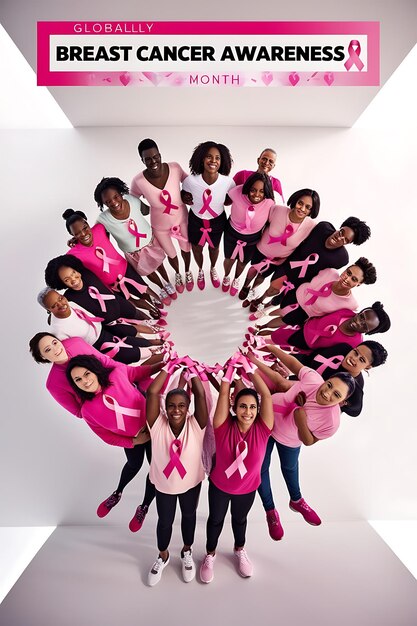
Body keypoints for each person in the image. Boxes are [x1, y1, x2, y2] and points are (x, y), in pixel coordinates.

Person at [246, 348, 355, 541]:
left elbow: (309, 441)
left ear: (343, 402)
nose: (327, 393)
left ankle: (296, 500)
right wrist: (268, 348)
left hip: (290, 440)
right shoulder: (313, 379)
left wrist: (300, 417)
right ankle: (270, 511)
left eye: (336, 395)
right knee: (260, 468)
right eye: (329, 385)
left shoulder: (331, 422)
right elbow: (292, 363)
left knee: (289, 468)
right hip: (266, 423)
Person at [200, 362, 274, 583]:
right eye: (243, 406)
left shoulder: (262, 429)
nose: (248, 412)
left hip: (247, 488)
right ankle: (210, 554)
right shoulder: (223, 426)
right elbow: (224, 394)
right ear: (234, 407)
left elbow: (267, 396)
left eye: (252, 407)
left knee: (239, 520)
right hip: (220, 486)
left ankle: (239, 550)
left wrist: (250, 369)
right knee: (215, 520)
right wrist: (228, 374)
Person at [145, 366, 208, 586]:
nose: (176, 410)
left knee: (189, 517)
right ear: (165, 408)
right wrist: (168, 369)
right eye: (171, 406)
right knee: (165, 521)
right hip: (164, 486)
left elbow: (200, 395)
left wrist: (192, 374)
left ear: (188, 408)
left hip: (191, 483)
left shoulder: (197, 425)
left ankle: (186, 551)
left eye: (181, 405)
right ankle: (162, 555)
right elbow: (152, 393)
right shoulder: (157, 425)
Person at [248, 216, 371, 312]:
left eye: (346, 240)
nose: (340, 238)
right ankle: (261, 298)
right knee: (273, 288)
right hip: (290, 266)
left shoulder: (342, 259)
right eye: (342, 232)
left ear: (348, 244)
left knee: (281, 299)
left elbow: (325, 274)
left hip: (303, 280)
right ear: (341, 227)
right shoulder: (323, 227)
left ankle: (267, 305)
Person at [94, 176, 175, 305]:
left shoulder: (132, 201)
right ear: (103, 204)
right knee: (148, 271)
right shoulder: (103, 219)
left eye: (116, 197)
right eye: (108, 202)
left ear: (121, 193)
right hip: (134, 253)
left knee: (159, 265)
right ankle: (161, 287)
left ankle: (167, 283)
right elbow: (96, 236)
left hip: (150, 242)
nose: (114, 202)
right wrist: (76, 239)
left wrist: (154, 198)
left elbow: (147, 210)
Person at [62, 209, 161, 315]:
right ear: (72, 235)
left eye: (85, 228)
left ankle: (152, 304)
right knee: (131, 300)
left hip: (126, 270)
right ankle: (149, 309)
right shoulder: (72, 254)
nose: (83, 234)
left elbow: (113, 225)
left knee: (143, 290)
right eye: (77, 233)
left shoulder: (100, 228)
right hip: (112, 284)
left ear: (87, 223)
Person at [37, 288, 163, 364]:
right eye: (54, 305)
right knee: (133, 355)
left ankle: (160, 347)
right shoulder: (58, 331)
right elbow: (76, 350)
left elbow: (89, 315)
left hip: (105, 329)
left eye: (60, 298)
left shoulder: (71, 303)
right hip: (98, 346)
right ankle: (158, 361)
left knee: (136, 339)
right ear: (49, 310)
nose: (61, 304)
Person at [131, 139, 193, 293]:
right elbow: (132, 200)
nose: (153, 161)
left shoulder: (175, 167)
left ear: (159, 154)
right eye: (148, 159)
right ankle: (178, 274)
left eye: (156, 156)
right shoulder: (138, 181)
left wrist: (185, 193)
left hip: (182, 218)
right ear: (142, 160)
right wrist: (144, 208)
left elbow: (189, 182)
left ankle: (187, 271)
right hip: (160, 225)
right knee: (171, 253)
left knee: (186, 248)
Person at [238, 189, 320, 304]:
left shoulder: (311, 226)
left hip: (278, 260)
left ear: (312, 211)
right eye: (300, 203)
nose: (302, 209)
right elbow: (263, 222)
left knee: (262, 276)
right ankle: (245, 286)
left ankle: (253, 289)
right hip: (261, 250)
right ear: (295, 201)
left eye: (308, 207)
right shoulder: (278, 210)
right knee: (253, 269)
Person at [255, 257, 377, 332]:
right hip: (295, 294)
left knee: (283, 320)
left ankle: (262, 326)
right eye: (348, 272)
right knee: (277, 305)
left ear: (359, 284)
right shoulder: (330, 272)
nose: (347, 278)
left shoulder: (351, 304)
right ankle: (264, 308)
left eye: (354, 279)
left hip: (304, 314)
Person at [182, 141, 235, 290]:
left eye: (217, 158)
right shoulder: (190, 181)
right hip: (196, 220)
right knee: (197, 248)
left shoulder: (228, 182)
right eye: (209, 157)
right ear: (201, 159)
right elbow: (184, 196)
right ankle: (200, 270)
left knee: (214, 247)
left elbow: (229, 200)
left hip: (217, 221)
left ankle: (212, 268)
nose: (213, 161)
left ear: (222, 161)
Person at [222, 173, 275, 296]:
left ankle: (236, 279)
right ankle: (226, 276)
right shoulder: (236, 192)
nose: (257, 194)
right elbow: (223, 199)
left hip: (252, 238)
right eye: (253, 190)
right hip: (232, 233)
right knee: (229, 259)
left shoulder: (269, 203)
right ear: (247, 188)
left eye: (261, 191)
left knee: (242, 262)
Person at [269, 301, 391, 353]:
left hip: (306, 347)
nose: (359, 322)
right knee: (276, 336)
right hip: (303, 328)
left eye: (364, 326)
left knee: (279, 349)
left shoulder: (354, 343)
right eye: (361, 317)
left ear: (368, 332)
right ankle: (259, 338)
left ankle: (261, 346)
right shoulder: (346, 311)